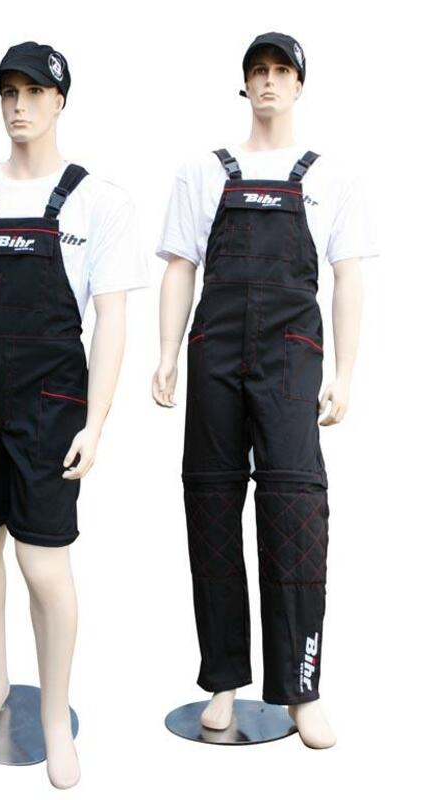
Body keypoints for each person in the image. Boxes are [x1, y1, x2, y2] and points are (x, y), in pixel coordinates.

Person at [0, 40, 148, 787]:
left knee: (42, 563)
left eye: (33, 92)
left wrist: (98, 419)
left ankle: (53, 714)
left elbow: (111, 318)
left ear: (60, 100)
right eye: (7, 92)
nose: (18, 105)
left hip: (51, 407)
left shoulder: (98, 202)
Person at [153, 31, 378, 749]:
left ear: (299, 84)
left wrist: (346, 372)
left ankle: (299, 689)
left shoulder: (330, 177)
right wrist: (166, 353)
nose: (270, 81)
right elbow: (180, 266)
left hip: (290, 357)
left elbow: (348, 276)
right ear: (244, 84)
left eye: (282, 70)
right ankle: (223, 679)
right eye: (258, 71)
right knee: (211, 506)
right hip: (214, 352)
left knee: (294, 514)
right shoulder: (202, 170)